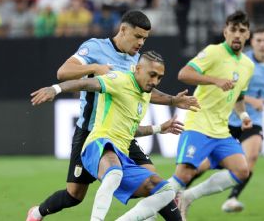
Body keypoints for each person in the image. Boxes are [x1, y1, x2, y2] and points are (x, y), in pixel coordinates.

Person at [26, 10, 199, 221]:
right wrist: (95, 67)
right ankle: (37, 213)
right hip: (91, 132)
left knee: (156, 183)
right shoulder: (96, 47)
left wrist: (172, 100)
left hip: (121, 134)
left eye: (145, 38)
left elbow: (144, 90)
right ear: (123, 29)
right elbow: (63, 72)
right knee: (74, 195)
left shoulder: (137, 61)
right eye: (138, 36)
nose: (141, 42)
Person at [30, 51, 179, 221]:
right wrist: (55, 89)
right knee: (111, 175)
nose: (155, 81)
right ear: (138, 68)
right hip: (98, 143)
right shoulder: (119, 79)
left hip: (123, 152)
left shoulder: (144, 95)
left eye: (159, 77)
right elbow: (86, 83)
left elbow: (130, 131)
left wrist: (159, 128)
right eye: (152, 75)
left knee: (166, 191)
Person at [166, 10, 254, 220]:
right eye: (233, 30)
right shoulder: (214, 52)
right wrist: (214, 80)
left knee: (242, 171)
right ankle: (147, 214)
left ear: (248, 35)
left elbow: (239, 97)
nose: (237, 34)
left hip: (221, 130)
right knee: (184, 175)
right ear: (225, 32)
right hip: (198, 123)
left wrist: (243, 116)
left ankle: (187, 197)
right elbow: (183, 74)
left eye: (242, 31)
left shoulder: (248, 66)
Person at [220, 27, 264, 212]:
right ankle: (180, 191)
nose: (263, 44)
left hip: (252, 120)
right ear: (252, 42)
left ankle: (232, 197)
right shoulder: (241, 61)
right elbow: (229, 89)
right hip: (227, 117)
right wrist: (252, 100)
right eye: (259, 40)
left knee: (252, 157)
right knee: (205, 165)